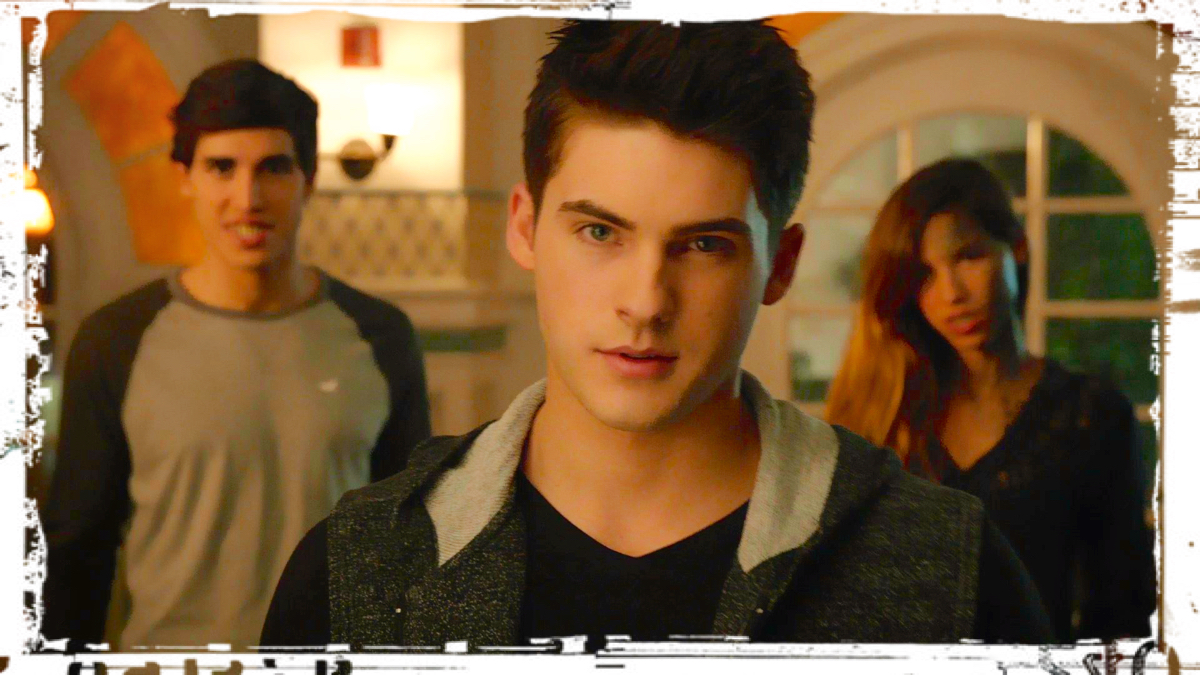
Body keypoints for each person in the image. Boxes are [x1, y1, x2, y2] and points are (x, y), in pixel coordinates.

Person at [261, 21, 1053, 649]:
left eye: (704, 244)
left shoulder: (945, 568)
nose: (645, 302)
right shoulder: (358, 568)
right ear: (525, 228)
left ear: (780, 264)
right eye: (600, 232)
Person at [41, 59, 431, 651]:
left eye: (273, 168)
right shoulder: (116, 339)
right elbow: (76, 554)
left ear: (309, 180)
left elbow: (411, 544)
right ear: (185, 177)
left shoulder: (382, 335)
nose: (247, 199)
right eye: (221, 167)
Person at [825, 158, 1156, 642]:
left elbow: (1122, 617)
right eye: (924, 274)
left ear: (1016, 248)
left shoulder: (1093, 416)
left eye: (968, 257)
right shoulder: (881, 415)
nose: (952, 293)